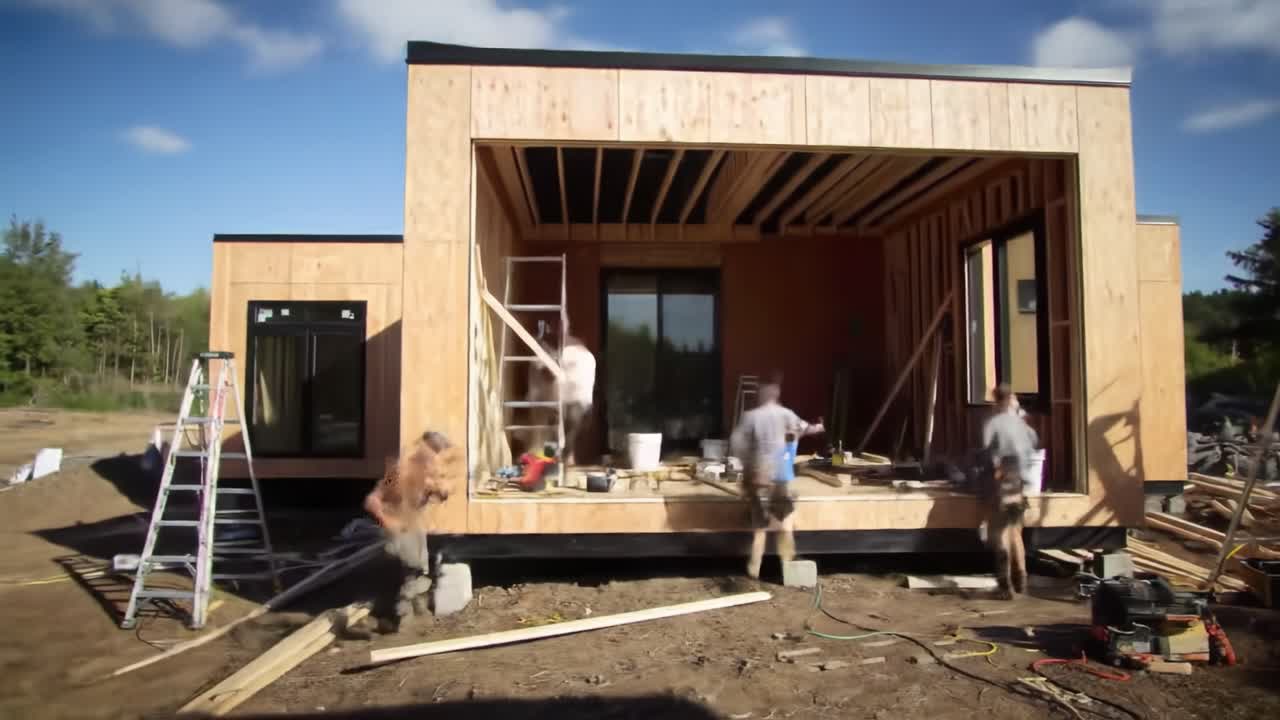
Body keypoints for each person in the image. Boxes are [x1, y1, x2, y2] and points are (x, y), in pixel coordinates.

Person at [363, 431, 462, 630]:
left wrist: (440, 490)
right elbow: (372, 501)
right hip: (397, 529)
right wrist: (386, 521)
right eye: (434, 452)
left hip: (413, 529)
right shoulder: (399, 471)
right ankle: (395, 616)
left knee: (415, 570)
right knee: (407, 567)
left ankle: (397, 614)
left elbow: (438, 494)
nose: (435, 460)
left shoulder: (428, 475)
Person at [729, 373, 824, 579]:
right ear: (776, 393)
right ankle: (789, 567)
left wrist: (748, 466)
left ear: (760, 394)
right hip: (780, 476)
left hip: (758, 476)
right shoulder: (786, 414)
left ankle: (754, 569)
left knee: (759, 527)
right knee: (786, 522)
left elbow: (736, 443)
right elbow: (806, 428)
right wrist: (819, 427)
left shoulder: (750, 417)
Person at [978, 384, 1039, 599]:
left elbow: (985, 448)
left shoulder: (993, 423)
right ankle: (1022, 580)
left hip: (1002, 479)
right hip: (1019, 483)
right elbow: (1034, 442)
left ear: (996, 401)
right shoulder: (1021, 424)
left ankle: (1005, 586)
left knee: (1000, 532)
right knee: (1016, 531)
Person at [527, 322, 596, 466]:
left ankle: (558, 458)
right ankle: (557, 459)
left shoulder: (573, 351)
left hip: (575, 398)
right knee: (559, 430)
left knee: (564, 428)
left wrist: (551, 369)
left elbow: (549, 374)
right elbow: (548, 374)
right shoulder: (553, 350)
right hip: (567, 398)